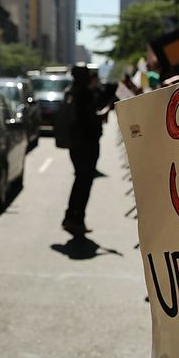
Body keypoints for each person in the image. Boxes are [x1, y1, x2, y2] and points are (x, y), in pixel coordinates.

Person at [61, 63, 109, 236]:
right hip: (86, 144)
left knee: (80, 180)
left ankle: (72, 216)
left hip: (76, 145)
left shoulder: (72, 91)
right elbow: (92, 118)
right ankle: (76, 219)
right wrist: (104, 112)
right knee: (84, 182)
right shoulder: (84, 93)